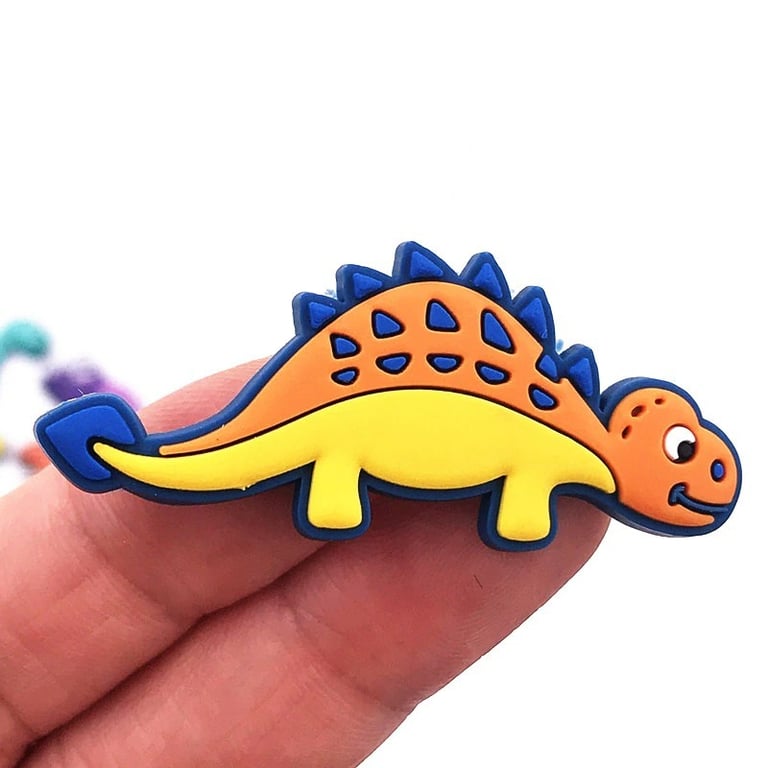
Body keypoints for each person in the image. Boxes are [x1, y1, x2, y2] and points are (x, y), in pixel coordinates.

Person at [0, 360, 608, 766]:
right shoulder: (545, 448)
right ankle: (127, 455)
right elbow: (520, 519)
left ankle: (316, 489)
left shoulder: (549, 438)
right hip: (348, 410)